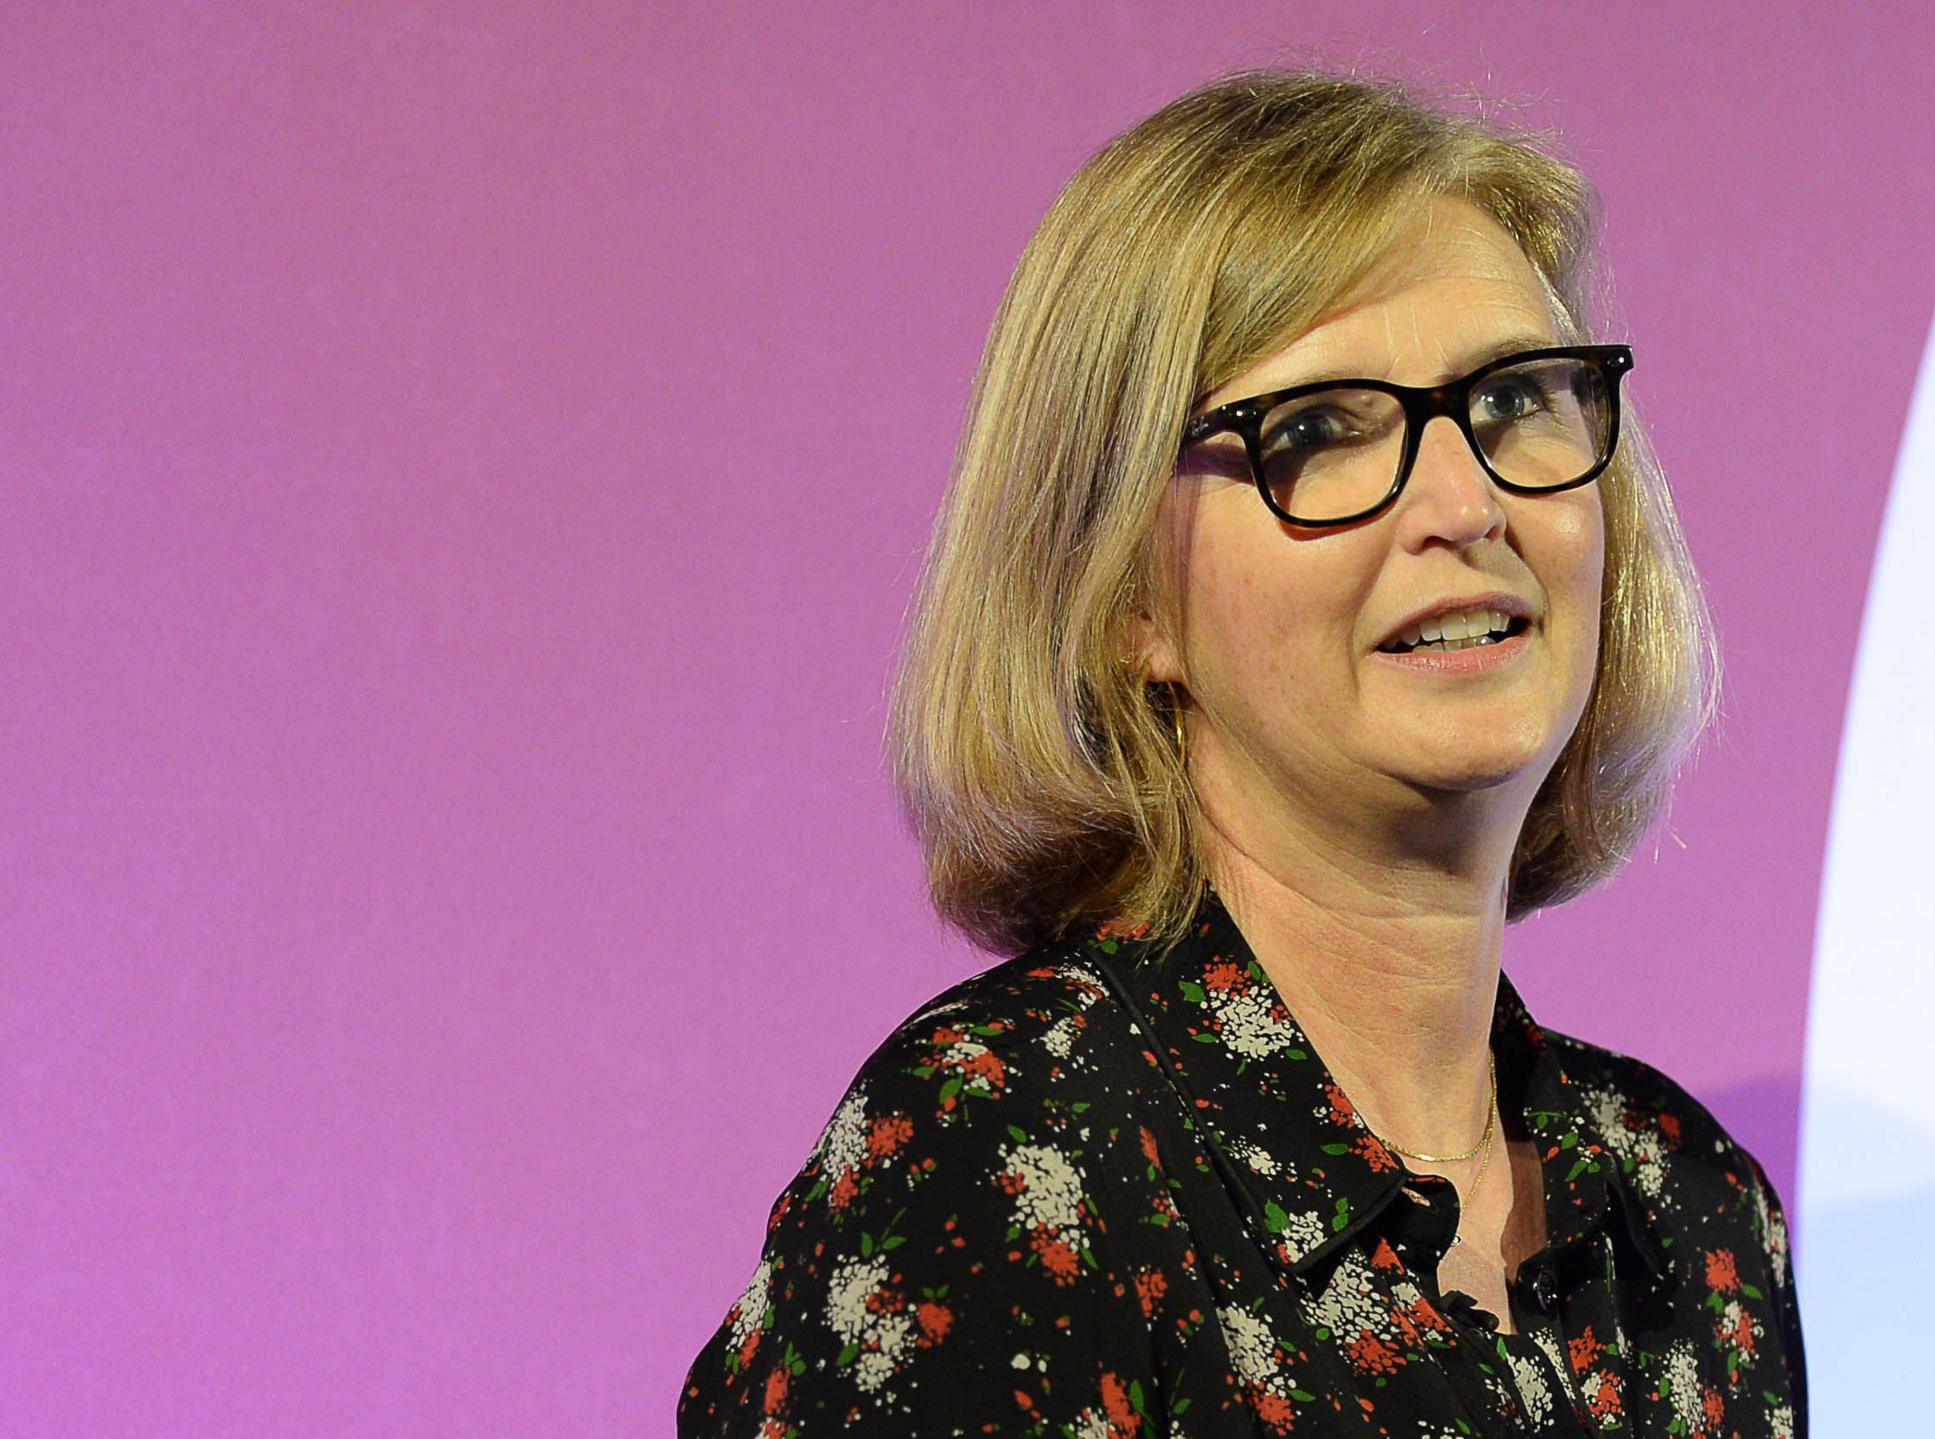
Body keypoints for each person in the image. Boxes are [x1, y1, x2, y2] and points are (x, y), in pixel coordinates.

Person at [677, 66, 1807, 1437]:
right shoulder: (1015, 1148)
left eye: (1515, 401)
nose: (1467, 502)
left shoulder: (1691, 1214)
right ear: (1128, 596)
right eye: (1320, 431)